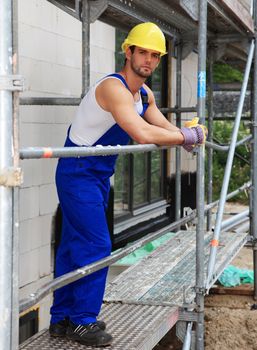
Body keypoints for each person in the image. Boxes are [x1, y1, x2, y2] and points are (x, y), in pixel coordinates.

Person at [49, 22, 207, 347]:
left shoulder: (143, 93)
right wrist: (183, 137)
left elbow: (161, 125)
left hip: (97, 174)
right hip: (77, 173)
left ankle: (61, 318)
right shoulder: (114, 89)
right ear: (128, 51)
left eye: (155, 55)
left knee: (72, 246)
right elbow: (144, 134)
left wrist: (185, 137)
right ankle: (83, 322)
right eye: (143, 52)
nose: (148, 60)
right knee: (96, 245)